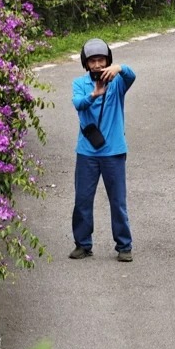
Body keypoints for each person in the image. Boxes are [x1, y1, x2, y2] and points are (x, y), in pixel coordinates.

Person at [70, 38, 137, 262]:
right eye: (92, 61)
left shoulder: (117, 83)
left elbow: (131, 76)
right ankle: (83, 244)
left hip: (114, 151)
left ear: (107, 60)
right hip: (87, 151)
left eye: (101, 60)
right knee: (82, 200)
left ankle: (124, 246)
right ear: (86, 64)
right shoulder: (80, 83)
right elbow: (78, 103)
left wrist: (119, 68)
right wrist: (94, 95)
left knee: (117, 201)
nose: (97, 65)